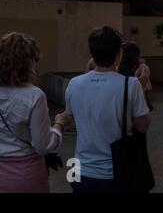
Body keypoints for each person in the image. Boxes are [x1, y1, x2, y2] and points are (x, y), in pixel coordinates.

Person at [59, 26, 151, 193]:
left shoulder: (74, 84)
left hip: (80, 170)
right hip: (115, 172)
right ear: (119, 54)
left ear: (92, 54)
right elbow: (142, 125)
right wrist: (142, 87)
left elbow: (71, 119)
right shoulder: (130, 84)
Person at [0, 32, 63, 193]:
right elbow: (43, 145)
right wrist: (59, 124)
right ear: (26, 63)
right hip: (25, 174)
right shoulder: (34, 96)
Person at [118, 42, 153, 111]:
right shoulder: (142, 67)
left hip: (123, 104)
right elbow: (149, 88)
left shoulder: (117, 68)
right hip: (140, 102)